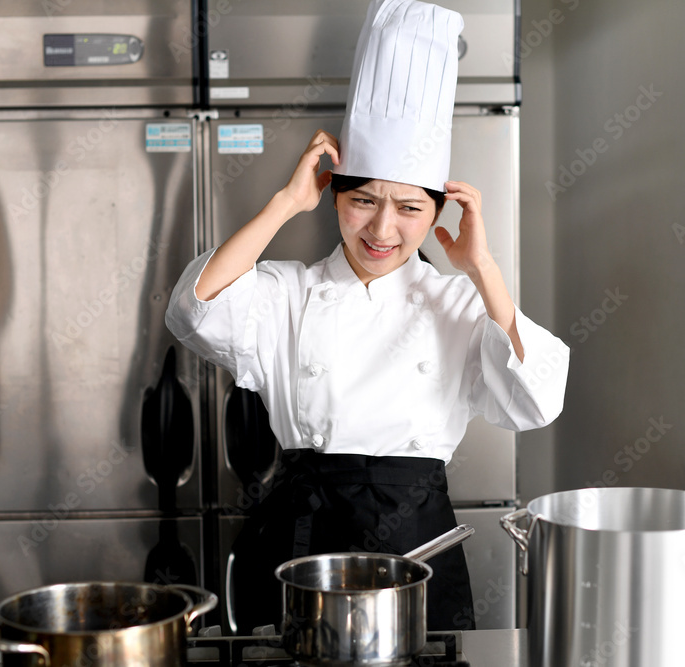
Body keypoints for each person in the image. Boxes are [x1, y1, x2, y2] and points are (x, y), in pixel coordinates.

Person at [166, 0, 569, 631]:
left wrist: (483, 268)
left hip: (418, 554)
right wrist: (284, 203)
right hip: (304, 553)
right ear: (333, 196)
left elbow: (537, 400)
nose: (382, 230)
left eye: (409, 208)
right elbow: (195, 309)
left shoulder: (460, 304)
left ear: (437, 214)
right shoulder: (289, 293)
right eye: (362, 201)